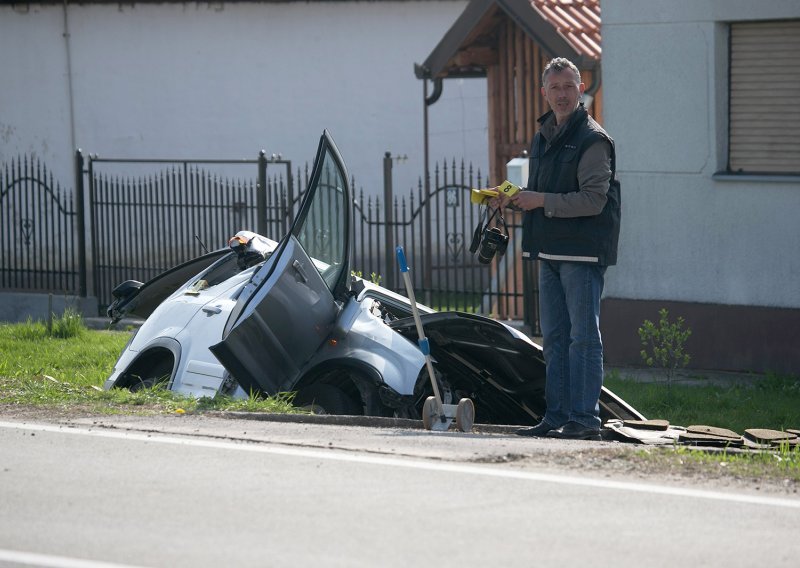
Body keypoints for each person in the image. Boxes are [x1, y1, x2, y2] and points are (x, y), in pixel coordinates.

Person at [495, 57, 620, 441]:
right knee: (554, 338)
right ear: (544, 92)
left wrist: (540, 201)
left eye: (569, 86)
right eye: (555, 88)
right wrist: (510, 198)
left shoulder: (593, 139)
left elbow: (593, 201)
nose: (562, 94)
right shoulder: (543, 135)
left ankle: (585, 419)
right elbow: (541, 193)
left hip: (581, 254)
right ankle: (557, 416)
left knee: (583, 337)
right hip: (548, 251)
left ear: (580, 89)